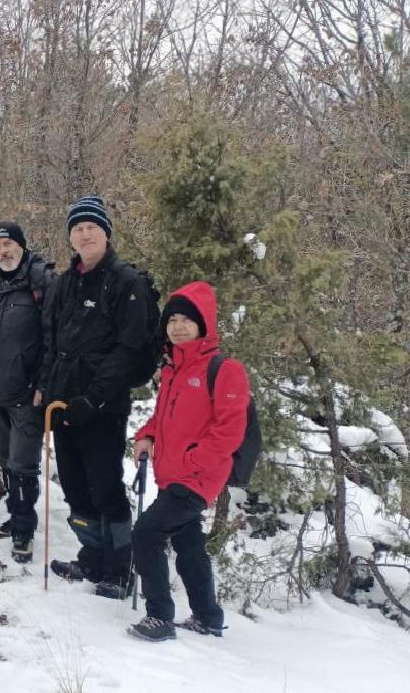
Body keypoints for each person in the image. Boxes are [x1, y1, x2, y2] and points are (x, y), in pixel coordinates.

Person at [40, 196, 155, 598]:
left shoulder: (127, 282)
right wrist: (47, 390)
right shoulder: (64, 283)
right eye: (77, 229)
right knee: (75, 485)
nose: (84, 234)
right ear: (70, 237)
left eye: (91, 227)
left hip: (102, 405)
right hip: (63, 402)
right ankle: (91, 557)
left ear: (106, 233)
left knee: (105, 485)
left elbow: (128, 350)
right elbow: (50, 341)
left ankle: (119, 568)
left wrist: (94, 398)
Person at [129, 281, 246, 641]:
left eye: (186, 320)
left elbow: (229, 431)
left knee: (146, 532)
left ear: (203, 324)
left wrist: (192, 460)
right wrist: (146, 435)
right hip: (173, 473)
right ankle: (208, 616)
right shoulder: (173, 368)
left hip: (196, 476)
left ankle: (160, 616)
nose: (178, 326)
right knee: (188, 542)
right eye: (173, 319)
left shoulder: (224, 369)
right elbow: (163, 418)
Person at [0, 222, 57, 563]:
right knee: (8, 461)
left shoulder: (41, 281)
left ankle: (24, 530)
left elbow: (55, 338)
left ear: (22, 246)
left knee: (23, 466)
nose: (4, 251)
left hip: (27, 392)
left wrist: (43, 384)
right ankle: (16, 517)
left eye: (9, 244)